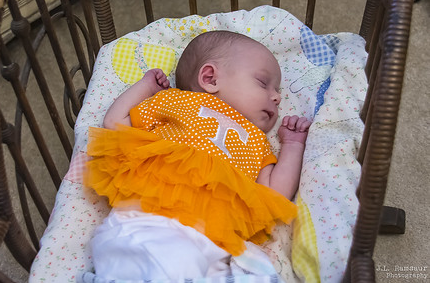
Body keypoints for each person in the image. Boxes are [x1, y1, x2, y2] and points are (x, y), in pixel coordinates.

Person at [84, 30, 311, 280]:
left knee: (257, 271)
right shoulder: (175, 100)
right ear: (210, 78)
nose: (277, 97)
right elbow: (115, 123)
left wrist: (293, 145)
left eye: (277, 91)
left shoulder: (258, 141)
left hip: (213, 237)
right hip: (151, 213)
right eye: (262, 82)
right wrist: (145, 86)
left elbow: (275, 194)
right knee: (132, 256)